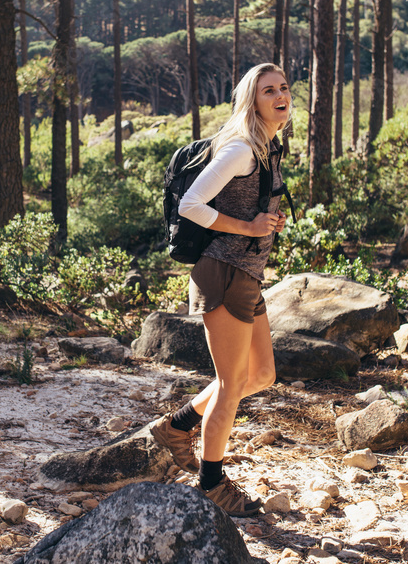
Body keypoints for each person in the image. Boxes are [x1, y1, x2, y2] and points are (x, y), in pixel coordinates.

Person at [152, 63, 291, 517]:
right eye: (268, 90)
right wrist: (246, 224)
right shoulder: (241, 150)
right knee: (232, 384)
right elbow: (191, 204)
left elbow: (248, 206)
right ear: (252, 102)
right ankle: (211, 482)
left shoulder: (270, 148)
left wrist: (263, 222)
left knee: (261, 375)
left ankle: (179, 425)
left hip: (247, 273)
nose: (279, 95)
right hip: (224, 272)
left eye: (284, 88)